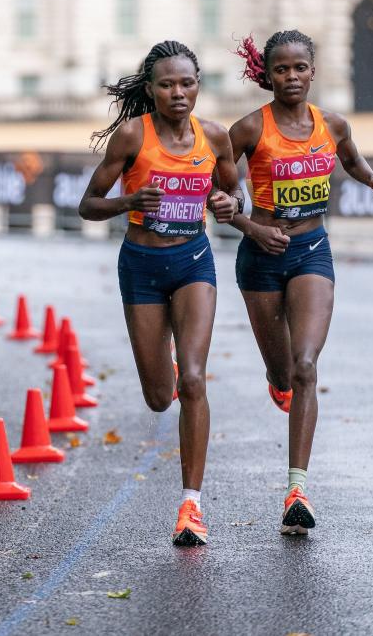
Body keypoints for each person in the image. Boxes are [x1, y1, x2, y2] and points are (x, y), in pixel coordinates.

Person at [228, 30, 373, 535]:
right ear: (268, 76)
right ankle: (278, 383)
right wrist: (251, 226)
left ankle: (296, 489)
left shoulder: (333, 124)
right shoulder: (248, 130)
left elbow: (349, 157)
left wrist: (372, 180)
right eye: (282, 70)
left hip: (312, 251)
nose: (292, 77)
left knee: (306, 366)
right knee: (282, 374)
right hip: (260, 258)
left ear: (313, 70)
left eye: (300, 68)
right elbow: (220, 196)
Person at [79, 40, 240, 547]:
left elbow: (233, 196)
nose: (178, 93)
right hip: (142, 268)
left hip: (193, 262)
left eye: (187, 83)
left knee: (193, 379)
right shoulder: (132, 136)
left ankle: (191, 504)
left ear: (198, 87)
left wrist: (225, 201)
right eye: (167, 84)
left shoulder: (214, 137)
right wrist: (130, 198)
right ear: (150, 90)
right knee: (159, 396)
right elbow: (87, 205)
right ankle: (164, 366)